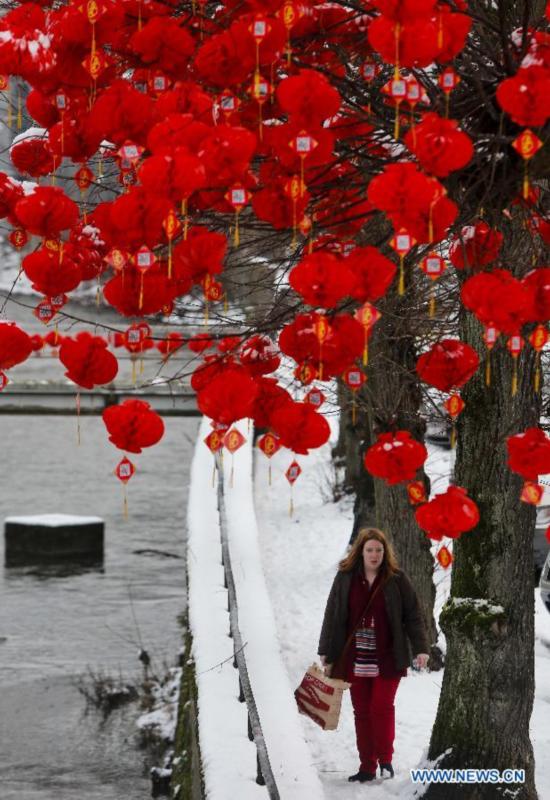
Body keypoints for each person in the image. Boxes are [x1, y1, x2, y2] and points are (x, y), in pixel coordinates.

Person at [318, 527, 430, 783]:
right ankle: (367, 765)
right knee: (362, 712)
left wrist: (421, 648)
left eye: (379, 550)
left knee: (381, 706)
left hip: (387, 657)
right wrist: (326, 650)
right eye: (370, 550)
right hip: (355, 657)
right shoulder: (346, 577)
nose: (374, 554)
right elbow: (332, 613)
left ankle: (385, 759)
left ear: (384, 552)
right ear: (361, 551)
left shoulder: (396, 579)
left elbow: (413, 615)